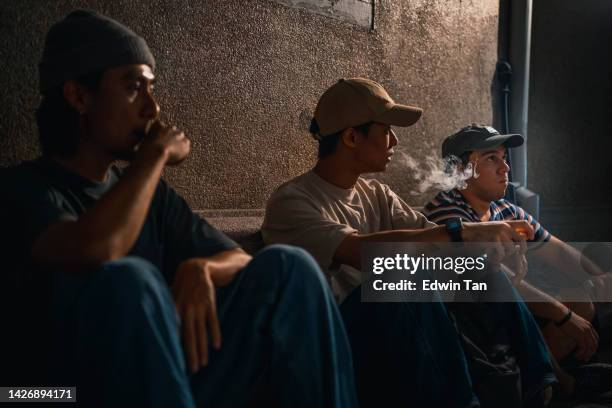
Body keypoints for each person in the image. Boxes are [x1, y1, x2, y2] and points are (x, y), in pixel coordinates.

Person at [0, 10, 358, 408]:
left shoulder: (152, 193)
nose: (152, 110)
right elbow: (95, 250)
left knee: (293, 267)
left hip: (161, 380)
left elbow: (239, 258)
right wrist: (152, 157)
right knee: (128, 281)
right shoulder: (21, 190)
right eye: (135, 87)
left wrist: (202, 267)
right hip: (50, 393)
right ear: (79, 96)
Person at [262, 78, 556, 407]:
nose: (396, 140)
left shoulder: (377, 195)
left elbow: (436, 244)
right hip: (336, 338)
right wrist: (461, 232)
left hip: (397, 329)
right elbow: (363, 252)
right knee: (398, 281)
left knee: (476, 269)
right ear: (350, 136)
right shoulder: (292, 202)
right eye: (386, 130)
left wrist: (489, 251)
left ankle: (542, 383)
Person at [423, 123, 612, 399]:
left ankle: (547, 378)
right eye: (491, 159)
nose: (505, 168)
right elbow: (496, 282)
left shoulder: (505, 209)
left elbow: (559, 252)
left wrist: (600, 279)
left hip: (512, 312)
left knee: (583, 293)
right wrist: (564, 315)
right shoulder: (446, 215)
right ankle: (556, 383)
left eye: (504, 159)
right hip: (476, 329)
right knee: (559, 309)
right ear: (460, 170)